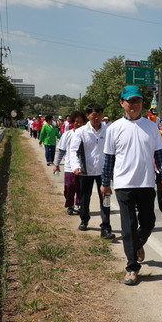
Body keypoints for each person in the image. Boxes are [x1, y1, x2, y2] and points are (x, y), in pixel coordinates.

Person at [101, 86, 162, 285]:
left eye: (138, 101)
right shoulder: (114, 128)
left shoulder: (151, 127)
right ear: (122, 103)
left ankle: (136, 245)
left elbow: (160, 155)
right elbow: (108, 160)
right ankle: (132, 267)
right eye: (130, 101)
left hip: (147, 183)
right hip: (124, 185)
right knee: (128, 227)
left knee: (148, 222)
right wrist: (105, 184)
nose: (134, 105)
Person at [70, 103, 116, 240]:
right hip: (85, 170)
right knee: (85, 197)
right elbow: (73, 151)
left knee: (105, 198)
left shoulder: (109, 130)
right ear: (88, 115)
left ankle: (106, 227)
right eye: (93, 115)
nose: (96, 118)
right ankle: (84, 219)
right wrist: (76, 166)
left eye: (99, 115)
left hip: (104, 171)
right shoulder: (81, 132)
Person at [53, 111, 86, 215]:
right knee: (69, 187)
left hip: (83, 167)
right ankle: (70, 205)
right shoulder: (67, 135)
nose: (79, 124)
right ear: (72, 122)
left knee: (80, 188)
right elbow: (61, 151)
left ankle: (78, 205)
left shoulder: (87, 135)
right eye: (76, 122)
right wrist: (56, 164)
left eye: (81, 122)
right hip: (69, 166)